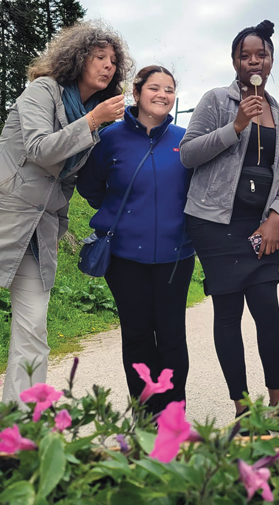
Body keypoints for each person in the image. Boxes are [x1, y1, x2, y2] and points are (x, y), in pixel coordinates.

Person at [0, 20, 132, 402]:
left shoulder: (95, 113)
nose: (108, 66)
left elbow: (69, 181)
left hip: (37, 232)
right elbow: (38, 149)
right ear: (78, 58)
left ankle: (21, 427)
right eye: (100, 57)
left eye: (114, 61)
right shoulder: (41, 91)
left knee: (33, 331)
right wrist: (93, 122)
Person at [179, 20, 279, 420]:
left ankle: (277, 406)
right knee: (228, 313)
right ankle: (243, 408)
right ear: (234, 61)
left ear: (271, 59)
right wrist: (236, 126)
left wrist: (275, 216)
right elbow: (188, 153)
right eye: (244, 56)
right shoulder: (216, 100)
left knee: (267, 307)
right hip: (213, 222)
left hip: (259, 222)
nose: (253, 61)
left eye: (260, 55)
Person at [76, 66, 194, 414]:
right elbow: (90, 186)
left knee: (172, 338)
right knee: (138, 336)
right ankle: (146, 416)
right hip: (125, 257)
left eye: (169, 89)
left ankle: (173, 415)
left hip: (176, 256)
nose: (162, 94)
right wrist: (118, 213)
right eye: (154, 87)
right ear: (137, 92)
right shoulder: (110, 137)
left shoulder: (185, 139)